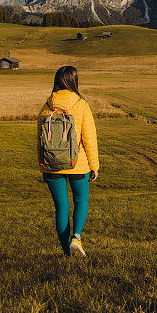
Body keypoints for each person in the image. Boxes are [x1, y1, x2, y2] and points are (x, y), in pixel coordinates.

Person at [37, 65, 99, 257]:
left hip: (52, 166)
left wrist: (43, 165)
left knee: (61, 207)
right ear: (74, 81)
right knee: (81, 200)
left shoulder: (47, 107)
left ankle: (66, 252)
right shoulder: (81, 105)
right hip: (78, 164)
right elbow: (89, 138)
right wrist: (94, 166)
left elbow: (39, 140)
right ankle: (76, 238)